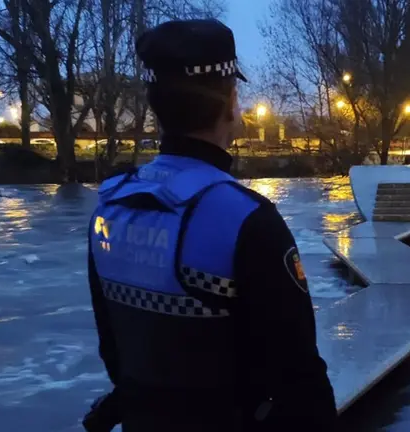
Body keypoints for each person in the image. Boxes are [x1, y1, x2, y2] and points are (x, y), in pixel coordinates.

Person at [85, 19, 337, 432]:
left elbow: (114, 353)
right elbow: (301, 382)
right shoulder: (247, 220)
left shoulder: (109, 208)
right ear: (231, 102)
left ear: (155, 106)